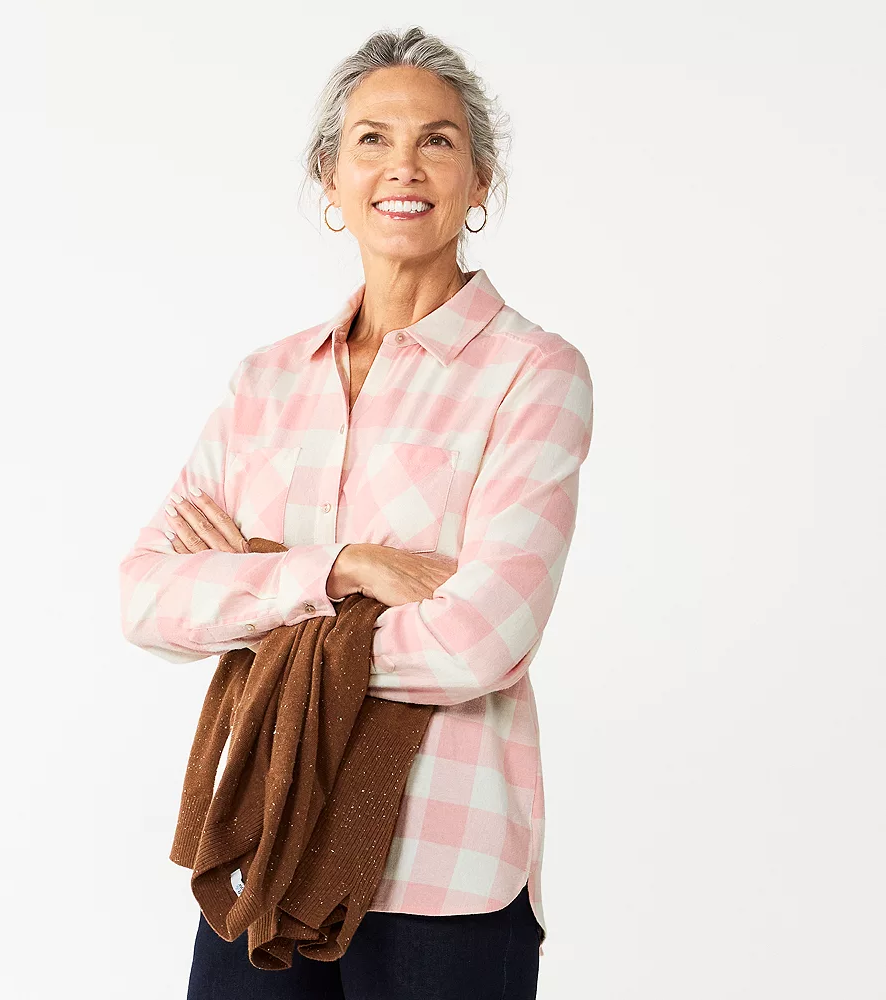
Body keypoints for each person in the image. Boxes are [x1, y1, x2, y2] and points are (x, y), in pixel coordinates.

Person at [118, 24, 594, 1000]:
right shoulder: (265, 383)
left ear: (480, 180)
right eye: (372, 139)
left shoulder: (532, 374)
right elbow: (146, 599)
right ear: (329, 179)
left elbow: (480, 641)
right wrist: (342, 569)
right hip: (259, 853)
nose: (402, 166)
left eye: (437, 140)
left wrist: (255, 592)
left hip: (443, 867)